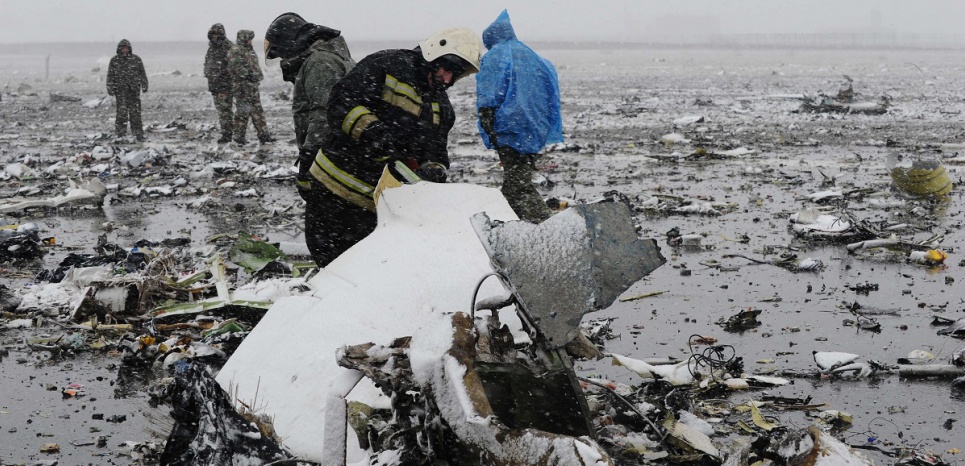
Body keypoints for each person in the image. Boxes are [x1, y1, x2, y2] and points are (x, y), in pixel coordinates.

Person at [300, 27, 483, 267]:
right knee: (330, 264)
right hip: (332, 191)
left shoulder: (441, 108)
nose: (447, 79)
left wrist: (433, 170)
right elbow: (340, 103)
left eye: (455, 75)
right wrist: (371, 133)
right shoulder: (387, 65)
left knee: (361, 271)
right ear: (433, 53)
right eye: (447, 68)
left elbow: (436, 151)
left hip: (376, 207)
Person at [476, 10, 563, 223]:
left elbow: (489, 96)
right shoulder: (534, 57)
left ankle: (545, 227)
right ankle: (518, 224)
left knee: (517, 187)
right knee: (516, 181)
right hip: (535, 128)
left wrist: (489, 126)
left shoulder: (495, 56)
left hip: (509, 127)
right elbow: (550, 94)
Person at [264, 12, 354, 197]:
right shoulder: (324, 58)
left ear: (289, 43)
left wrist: (310, 157)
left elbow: (324, 114)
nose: (282, 59)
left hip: (333, 157)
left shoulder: (319, 62)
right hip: (340, 153)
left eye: (281, 53)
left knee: (329, 214)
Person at [228, 30, 274, 145]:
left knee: (258, 111)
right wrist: (248, 76)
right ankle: (239, 137)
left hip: (252, 87)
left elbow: (254, 66)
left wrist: (257, 76)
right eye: (249, 39)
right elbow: (235, 67)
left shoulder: (249, 50)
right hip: (242, 88)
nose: (250, 41)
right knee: (242, 112)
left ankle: (264, 135)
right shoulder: (236, 50)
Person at [106, 39, 149, 141]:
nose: (124, 50)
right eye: (123, 48)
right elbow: (110, 76)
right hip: (120, 91)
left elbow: (142, 73)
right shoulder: (114, 60)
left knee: (135, 114)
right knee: (121, 114)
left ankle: (138, 134)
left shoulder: (136, 59)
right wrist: (110, 88)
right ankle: (121, 134)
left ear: (129, 49)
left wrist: (144, 85)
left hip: (134, 91)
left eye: (126, 48)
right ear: (119, 49)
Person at [204, 24, 234, 143]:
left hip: (225, 85)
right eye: (213, 34)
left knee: (225, 110)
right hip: (214, 85)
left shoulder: (228, 47)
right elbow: (207, 63)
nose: (215, 37)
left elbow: (233, 65)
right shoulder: (211, 47)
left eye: (217, 34)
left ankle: (227, 134)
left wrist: (223, 75)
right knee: (221, 111)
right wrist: (208, 74)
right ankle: (226, 132)